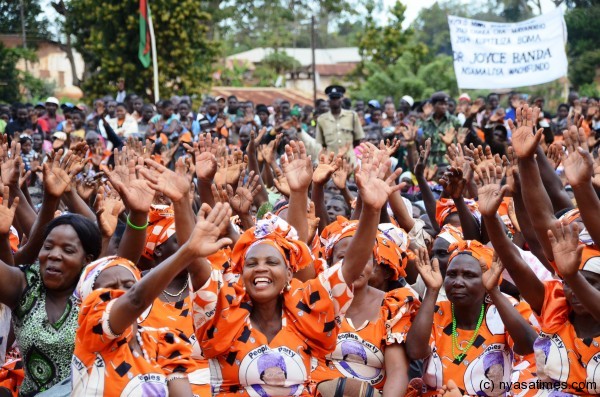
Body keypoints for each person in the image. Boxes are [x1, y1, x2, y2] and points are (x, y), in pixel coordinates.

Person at [189, 142, 401, 396]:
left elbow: (351, 265)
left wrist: (372, 209)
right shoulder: (225, 315)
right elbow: (198, 262)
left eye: (272, 262)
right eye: (252, 264)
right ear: (239, 273)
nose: (261, 269)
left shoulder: (308, 316)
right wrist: (188, 196)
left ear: (290, 273)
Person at [406, 244, 537, 396]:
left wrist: (493, 290)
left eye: (469, 275)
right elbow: (415, 351)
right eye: (452, 274)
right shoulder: (436, 310)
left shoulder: (502, 311)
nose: (457, 282)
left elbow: (531, 346)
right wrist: (432, 290)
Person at [316, 85, 364, 163]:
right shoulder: (321, 119)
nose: (335, 100)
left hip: (349, 162)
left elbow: (357, 140)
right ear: (328, 100)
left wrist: (347, 150)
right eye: (333, 98)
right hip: (331, 163)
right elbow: (322, 144)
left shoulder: (352, 116)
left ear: (341, 99)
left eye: (337, 98)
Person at [419, 92, 462, 166]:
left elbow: (460, 141)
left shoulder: (454, 121)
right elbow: (423, 143)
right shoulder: (426, 122)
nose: (444, 107)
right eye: (441, 104)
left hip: (448, 161)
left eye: (445, 104)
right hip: (430, 163)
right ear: (433, 105)